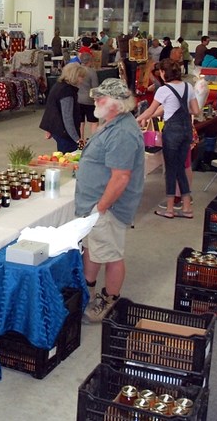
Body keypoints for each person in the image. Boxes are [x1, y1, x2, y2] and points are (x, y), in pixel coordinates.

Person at [74, 78, 145, 322]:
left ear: (116, 104)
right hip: (95, 205)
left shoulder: (123, 133)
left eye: (100, 97)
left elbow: (121, 177)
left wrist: (100, 208)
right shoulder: (111, 123)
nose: (95, 100)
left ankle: (108, 299)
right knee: (93, 248)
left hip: (108, 208)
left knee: (111, 253)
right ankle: (88, 289)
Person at [136, 59, 200, 219]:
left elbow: (150, 111)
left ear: (164, 73)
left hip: (171, 131)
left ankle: (170, 209)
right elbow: (196, 110)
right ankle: (186, 208)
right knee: (181, 168)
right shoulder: (188, 86)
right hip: (187, 131)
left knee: (171, 170)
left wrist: (136, 120)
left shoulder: (163, 90)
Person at [39, 62, 87, 153]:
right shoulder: (67, 92)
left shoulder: (59, 86)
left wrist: (50, 129)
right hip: (64, 133)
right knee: (70, 157)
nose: (83, 80)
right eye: (81, 77)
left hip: (58, 129)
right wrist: (77, 139)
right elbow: (67, 118)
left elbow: (51, 108)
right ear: (74, 76)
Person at [77, 53, 100, 136]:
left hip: (77, 99)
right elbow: (95, 88)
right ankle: (94, 141)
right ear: (90, 61)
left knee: (80, 123)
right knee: (93, 122)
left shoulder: (76, 70)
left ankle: (80, 143)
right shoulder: (92, 72)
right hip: (89, 100)